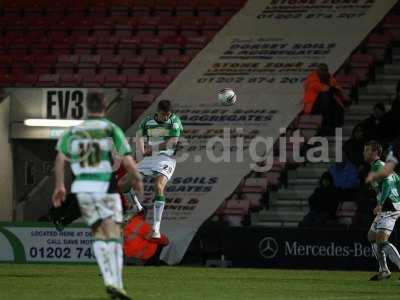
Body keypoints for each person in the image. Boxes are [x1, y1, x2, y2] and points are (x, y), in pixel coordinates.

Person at [52, 91, 143, 300]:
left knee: (97, 234)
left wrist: (59, 186)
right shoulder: (110, 128)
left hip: (82, 189)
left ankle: (108, 281)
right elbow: (127, 160)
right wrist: (137, 177)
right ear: (104, 106)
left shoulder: (74, 131)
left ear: (87, 107)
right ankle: (116, 283)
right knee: (113, 235)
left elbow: (59, 159)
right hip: (105, 188)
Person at [135, 99, 183, 239]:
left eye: (168, 115)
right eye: (163, 115)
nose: (166, 117)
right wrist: (141, 151)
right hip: (149, 157)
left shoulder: (174, 121)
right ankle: (137, 208)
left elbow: (172, 142)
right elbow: (139, 136)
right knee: (124, 182)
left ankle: (156, 227)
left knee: (158, 186)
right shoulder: (147, 121)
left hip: (166, 159)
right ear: (158, 112)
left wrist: (152, 149)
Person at [364, 141, 400, 281]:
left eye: (367, 150)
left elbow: (388, 183)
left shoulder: (379, 166)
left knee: (381, 239)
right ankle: (384, 270)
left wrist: (381, 203)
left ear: (374, 152)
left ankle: (386, 270)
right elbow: (396, 179)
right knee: (371, 236)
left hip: (389, 207)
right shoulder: (378, 167)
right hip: (390, 206)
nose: (364, 152)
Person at [303, 63, 344, 135]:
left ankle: (333, 128)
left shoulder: (329, 77)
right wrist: (333, 88)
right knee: (325, 95)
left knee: (337, 108)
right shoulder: (311, 79)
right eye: (322, 71)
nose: (324, 73)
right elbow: (324, 88)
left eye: (325, 71)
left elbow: (338, 88)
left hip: (326, 105)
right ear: (318, 71)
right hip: (312, 106)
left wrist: (334, 89)